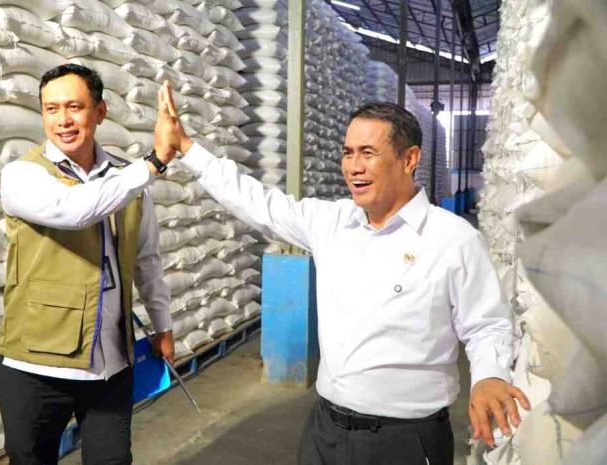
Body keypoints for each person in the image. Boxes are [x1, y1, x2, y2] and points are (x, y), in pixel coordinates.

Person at [152, 82, 530, 465]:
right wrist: (186, 147)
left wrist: (490, 375)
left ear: (409, 159)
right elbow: (257, 202)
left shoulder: (453, 239)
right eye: (348, 153)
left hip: (405, 442)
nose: (354, 167)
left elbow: (487, 325)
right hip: (326, 433)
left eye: (368, 153)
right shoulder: (332, 222)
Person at [0, 64, 177, 465]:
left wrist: (162, 325)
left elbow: (146, 258)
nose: (63, 120)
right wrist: (153, 163)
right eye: (51, 109)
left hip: (111, 364)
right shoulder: (22, 174)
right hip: (36, 364)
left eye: (74, 107)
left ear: (100, 112)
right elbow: (74, 209)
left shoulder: (128, 180)